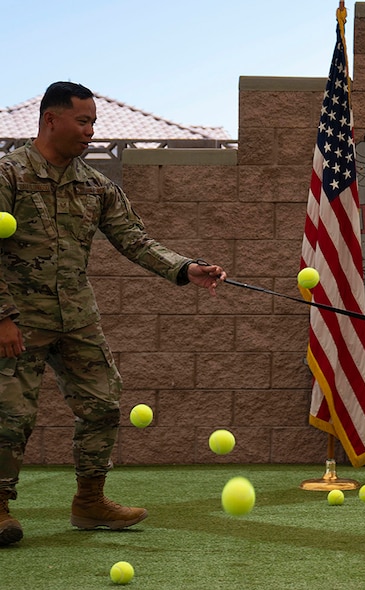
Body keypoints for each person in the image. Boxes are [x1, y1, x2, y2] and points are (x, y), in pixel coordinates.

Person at [0, 81, 227, 546]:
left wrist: (186, 269)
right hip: (18, 320)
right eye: (83, 121)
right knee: (11, 415)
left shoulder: (95, 185)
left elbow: (135, 240)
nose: (90, 131)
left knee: (103, 404)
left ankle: (89, 502)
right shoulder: (9, 175)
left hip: (77, 318)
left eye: (94, 123)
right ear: (50, 119)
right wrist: (2, 316)